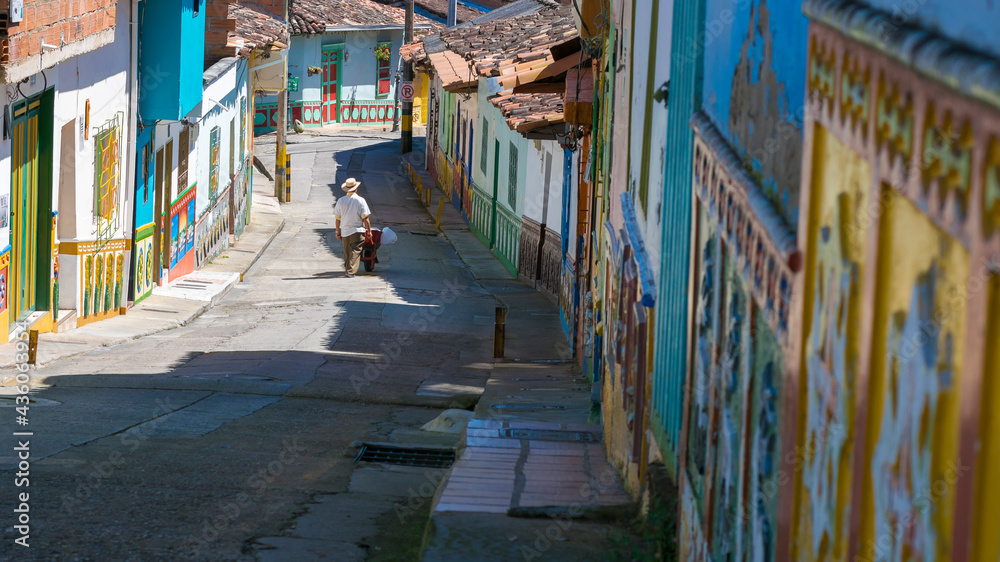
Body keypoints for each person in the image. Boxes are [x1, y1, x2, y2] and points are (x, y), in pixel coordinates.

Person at [333, 178, 372, 278]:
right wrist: (369, 231)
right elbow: (365, 218)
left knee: (346, 251)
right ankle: (350, 272)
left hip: (345, 231)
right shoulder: (360, 200)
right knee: (355, 250)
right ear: (356, 189)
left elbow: (338, 219)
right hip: (357, 230)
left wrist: (337, 231)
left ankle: (347, 270)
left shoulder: (341, 201)